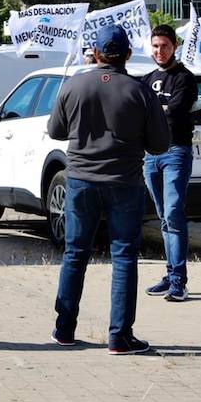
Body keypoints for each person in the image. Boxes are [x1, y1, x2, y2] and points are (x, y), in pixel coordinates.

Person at [46, 24, 170, 354]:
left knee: (75, 254)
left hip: (81, 181)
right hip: (124, 183)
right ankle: (120, 335)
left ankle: (64, 329)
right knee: (125, 257)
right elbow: (160, 145)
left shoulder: (75, 84)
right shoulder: (141, 91)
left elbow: (55, 131)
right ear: (128, 54)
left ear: (96, 53)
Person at [142, 24, 198, 302]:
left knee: (174, 215)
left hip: (176, 151)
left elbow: (174, 113)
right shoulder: (146, 79)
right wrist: (158, 111)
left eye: (164, 46)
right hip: (150, 156)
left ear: (174, 46)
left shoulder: (184, 78)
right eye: (155, 46)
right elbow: (137, 115)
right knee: (164, 218)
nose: (159, 51)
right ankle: (170, 273)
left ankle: (179, 281)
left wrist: (156, 112)